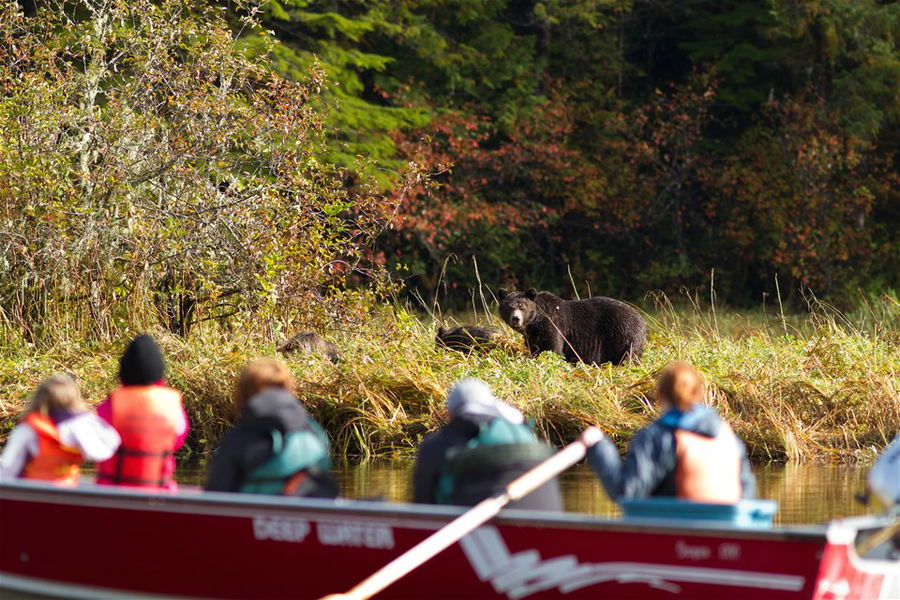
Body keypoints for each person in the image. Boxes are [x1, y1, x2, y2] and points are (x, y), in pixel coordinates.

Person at [587, 362, 756, 502]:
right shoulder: (728, 437)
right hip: (727, 532)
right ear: (698, 393)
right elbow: (747, 494)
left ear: (659, 395)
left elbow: (626, 491)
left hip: (677, 531)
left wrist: (599, 446)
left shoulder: (657, 437)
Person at [413, 378, 562, 510]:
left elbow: (423, 510)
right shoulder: (525, 435)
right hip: (542, 528)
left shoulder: (438, 447)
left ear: (450, 412)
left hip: (468, 530)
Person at [205, 359, 337, 498]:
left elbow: (214, 496)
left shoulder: (240, 439)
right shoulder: (314, 432)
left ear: (243, 394)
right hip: (309, 514)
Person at [95, 334, 189, 489]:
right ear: (159, 370)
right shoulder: (172, 405)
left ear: (124, 371)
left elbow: (95, 440)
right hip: (159, 495)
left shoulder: (112, 404)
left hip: (113, 495)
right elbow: (177, 440)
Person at [0, 375, 120, 485]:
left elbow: (8, 468)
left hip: (33, 493)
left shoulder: (28, 429)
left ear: (39, 398)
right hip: (67, 491)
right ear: (74, 399)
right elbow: (105, 450)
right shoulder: (81, 427)